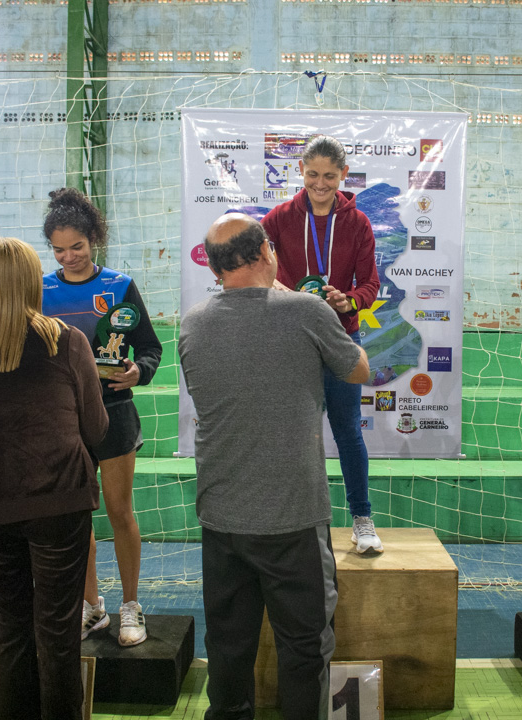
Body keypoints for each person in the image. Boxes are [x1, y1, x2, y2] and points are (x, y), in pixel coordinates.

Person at [178, 213, 370, 719]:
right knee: (305, 650)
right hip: (292, 517)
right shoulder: (306, 312)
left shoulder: (193, 322)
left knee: (228, 648)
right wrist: (321, 308)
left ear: (216, 267)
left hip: (221, 516)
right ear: (266, 251)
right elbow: (359, 370)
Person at [0, 237, 108, 720]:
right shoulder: (65, 340)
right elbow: (96, 428)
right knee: (57, 635)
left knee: (9, 636)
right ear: (34, 281)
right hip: (59, 504)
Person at [41, 188, 163, 646]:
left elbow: (150, 348)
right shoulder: (41, 290)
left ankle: (131, 606)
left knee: (119, 512)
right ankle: (93, 607)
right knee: (76, 516)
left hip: (114, 414)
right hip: (63, 420)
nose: (68, 256)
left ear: (94, 240)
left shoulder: (119, 286)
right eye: (59, 248)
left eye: (77, 246)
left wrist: (139, 371)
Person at [262, 135, 383, 554]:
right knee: (294, 433)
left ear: (343, 175)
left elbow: (371, 283)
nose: (320, 183)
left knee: (348, 431)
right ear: (301, 171)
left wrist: (348, 299)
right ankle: (292, 523)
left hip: (339, 336)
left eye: (329, 176)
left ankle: (362, 519)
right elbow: (261, 270)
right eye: (312, 174)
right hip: (292, 338)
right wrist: (286, 291)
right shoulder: (278, 217)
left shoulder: (358, 222)